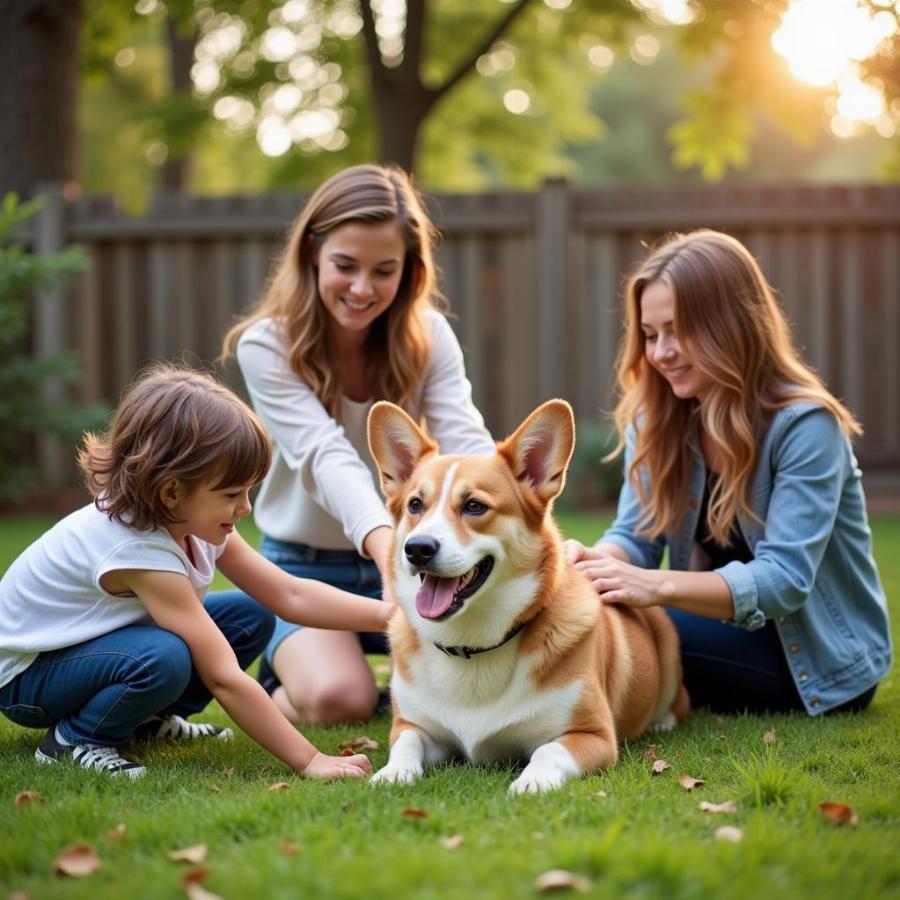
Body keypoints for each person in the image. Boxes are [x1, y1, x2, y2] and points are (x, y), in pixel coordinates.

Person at [0, 364, 393, 779]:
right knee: (162, 657)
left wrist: (393, 615)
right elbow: (222, 675)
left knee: (250, 614)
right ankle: (76, 739)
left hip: (91, 652)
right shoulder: (138, 547)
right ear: (172, 491)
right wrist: (311, 760)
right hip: (29, 678)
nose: (246, 508)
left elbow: (288, 595)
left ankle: (145, 722)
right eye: (231, 494)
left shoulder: (191, 519)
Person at [566, 229, 892, 716]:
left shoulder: (805, 426)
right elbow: (636, 536)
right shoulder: (657, 418)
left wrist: (653, 586)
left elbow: (784, 580)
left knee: (631, 622)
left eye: (678, 331)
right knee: (593, 603)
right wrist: (591, 564)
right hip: (719, 628)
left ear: (731, 322)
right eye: (651, 336)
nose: (660, 353)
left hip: (816, 662)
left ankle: (564, 720)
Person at [220, 164, 494, 726]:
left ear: (410, 270)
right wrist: (388, 547)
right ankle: (287, 680)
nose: (362, 288)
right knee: (343, 701)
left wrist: (508, 506)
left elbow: (464, 436)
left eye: (384, 270)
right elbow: (325, 458)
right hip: (306, 566)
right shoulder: (266, 345)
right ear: (313, 251)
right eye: (345, 266)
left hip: (419, 558)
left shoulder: (429, 336)